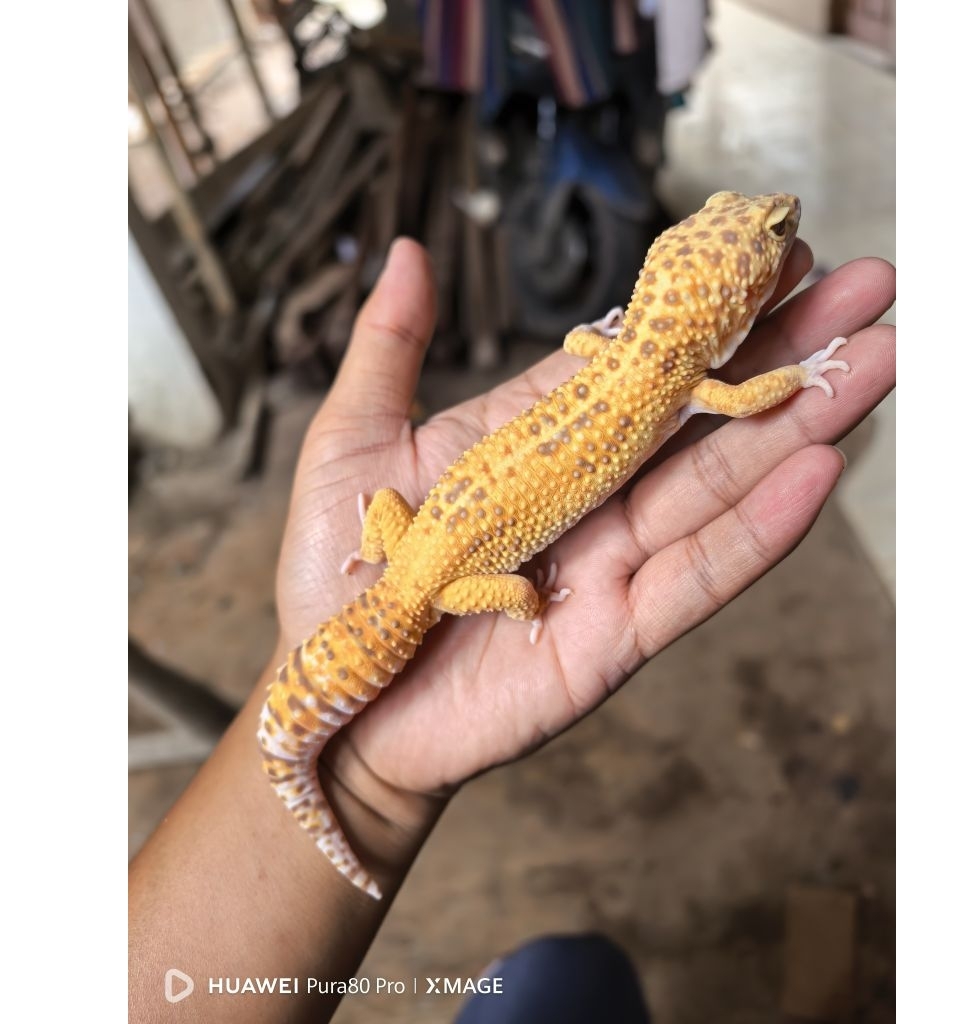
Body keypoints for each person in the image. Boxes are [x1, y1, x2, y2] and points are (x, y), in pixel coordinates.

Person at [129, 237, 896, 1022]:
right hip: (447, 582)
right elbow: (744, 398)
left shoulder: (633, 357)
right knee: (524, 601)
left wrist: (375, 555)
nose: (776, 226)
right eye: (757, 237)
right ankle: (309, 771)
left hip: (406, 550)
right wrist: (804, 375)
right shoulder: (684, 380)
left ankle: (316, 755)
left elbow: (581, 344)